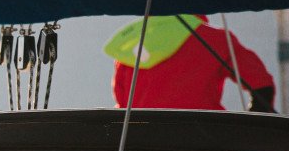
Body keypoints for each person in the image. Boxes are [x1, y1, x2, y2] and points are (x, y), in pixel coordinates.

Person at [105, 14, 277, 111]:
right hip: (205, 139)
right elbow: (262, 85)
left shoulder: (130, 46)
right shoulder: (215, 39)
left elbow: (123, 103)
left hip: (144, 142)